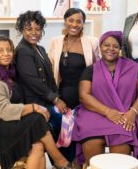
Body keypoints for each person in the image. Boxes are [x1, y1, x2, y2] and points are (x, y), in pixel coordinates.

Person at [0, 35, 74, 169]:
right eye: (0, 50)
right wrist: (34, 107)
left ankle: (60, 161)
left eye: (9, 50)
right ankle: (60, 160)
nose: (6, 54)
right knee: (36, 119)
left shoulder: (7, 72)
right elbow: (3, 110)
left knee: (37, 145)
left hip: (1, 123)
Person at [73, 31, 138, 169]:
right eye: (106, 45)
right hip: (96, 113)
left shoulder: (135, 68)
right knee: (91, 144)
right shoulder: (91, 70)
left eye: (115, 46)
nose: (110, 49)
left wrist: (133, 112)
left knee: (120, 152)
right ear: (100, 46)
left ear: (120, 49)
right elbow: (84, 96)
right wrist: (107, 112)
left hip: (124, 114)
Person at [48, 8, 100, 162]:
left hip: (85, 96)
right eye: (71, 20)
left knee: (81, 124)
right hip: (62, 95)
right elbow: (51, 71)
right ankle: (63, 162)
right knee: (56, 121)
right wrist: (56, 98)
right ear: (65, 21)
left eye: (78, 21)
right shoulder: (56, 42)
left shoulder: (92, 41)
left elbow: (98, 69)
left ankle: (77, 162)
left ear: (83, 23)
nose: (74, 24)